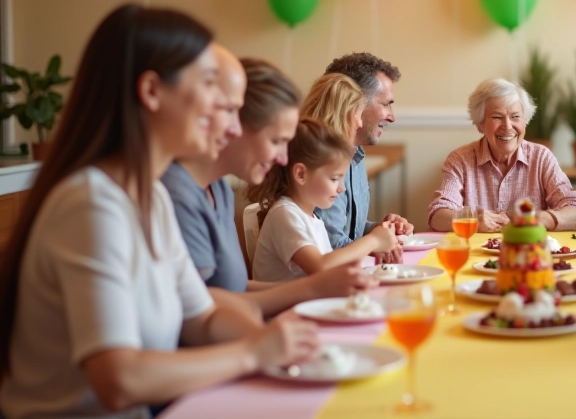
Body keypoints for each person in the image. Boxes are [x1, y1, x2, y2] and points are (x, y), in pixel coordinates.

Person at [0, 5, 317, 418]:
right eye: (209, 85)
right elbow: (119, 380)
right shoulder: (91, 203)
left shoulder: (151, 196)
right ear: (151, 92)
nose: (231, 120)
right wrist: (253, 353)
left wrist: (283, 340)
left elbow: (202, 319)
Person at [162, 55, 374, 318]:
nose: (283, 159)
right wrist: (310, 288)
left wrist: (314, 287)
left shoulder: (218, 189)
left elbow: (230, 289)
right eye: (276, 141)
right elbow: (200, 309)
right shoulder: (177, 194)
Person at [428, 78, 576, 232]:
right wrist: (472, 220)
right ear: (480, 125)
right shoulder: (460, 160)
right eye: (497, 117)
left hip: (529, 254)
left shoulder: (541, 157)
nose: (507, 126)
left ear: (525, 121)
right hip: (475, 256)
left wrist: (539, 218)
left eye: (515, 117)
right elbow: (437, 215)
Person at [250, 118, 398, 282]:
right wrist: (374, 240)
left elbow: (331, 268)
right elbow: (321, 267)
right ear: (301, 174)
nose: (342, 188)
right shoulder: (285, 214)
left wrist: (372, 251)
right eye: (335, 179)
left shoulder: (313, 218)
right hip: (286, 307)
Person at [320, 53, 413, 263]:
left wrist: (379, 230)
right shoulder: (321, 163)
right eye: (386, 104)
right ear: (355, 103)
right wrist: (376, 242)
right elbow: (333, 248)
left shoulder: (356, 155)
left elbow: (349, 229)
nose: (392, 116)